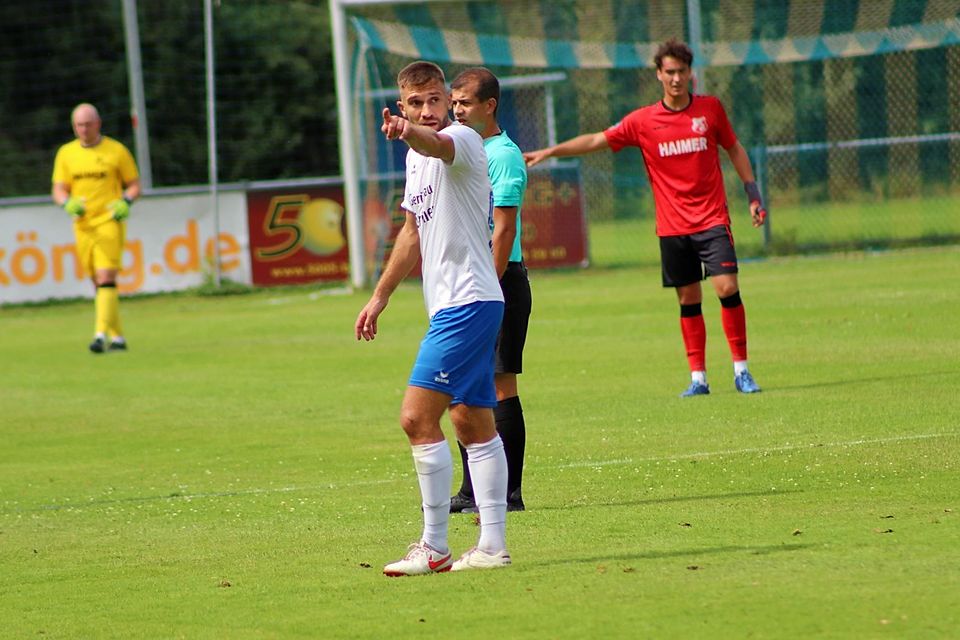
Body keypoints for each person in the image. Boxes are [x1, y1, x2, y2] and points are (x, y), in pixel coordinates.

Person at [524, 39, 766, 397]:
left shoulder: (710, 110)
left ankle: (741, 371)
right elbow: (596, 140)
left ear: (690, 73)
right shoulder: (643, 121)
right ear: (659, 74)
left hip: (712, 218)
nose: (676, 78)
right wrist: (549, 151)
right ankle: (698, 378)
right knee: (688, 300)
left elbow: (734, 148)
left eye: (682, 71)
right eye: (669, 72)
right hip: (672, 227)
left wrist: (752, 193)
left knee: (727, 287)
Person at [355, 61, 511, 575]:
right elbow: (411, 234)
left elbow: (434, 145)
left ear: (449, 100)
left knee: (416, 418)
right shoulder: (413, 162)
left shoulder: (463, 139)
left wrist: (409, 132)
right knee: (470, 421)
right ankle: (491, 547)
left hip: (468, 302)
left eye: (435, 100)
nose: (427, 110)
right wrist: (380, 297)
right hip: (458, 303)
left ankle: (434, 544)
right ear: (403, 104)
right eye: (415, 104)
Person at [448, 67, 531, 513]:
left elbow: (502, 231)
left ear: (489, 105)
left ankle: (508, 494)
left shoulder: (502, 155)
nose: (455, 110)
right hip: (469, 281)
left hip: (499, 280)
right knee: (465, 387)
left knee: (500, 386)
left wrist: (488, 288)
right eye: (454, 102)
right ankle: (471, 490)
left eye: (463, 103)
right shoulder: (465, 149)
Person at [52, 103, 141, 354]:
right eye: (79, 125)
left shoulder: (116, 151)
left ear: (98, 124)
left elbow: (134, 184)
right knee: (98, 283)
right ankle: (118, 338)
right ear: (73, 127)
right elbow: (58, 189)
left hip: (109, 221)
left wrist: (126, 201)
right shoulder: (66, 154)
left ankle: (99, 336)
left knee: (106, 277)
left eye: (88, 124)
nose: (84, 129)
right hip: (83, 225)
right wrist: (66, 203)